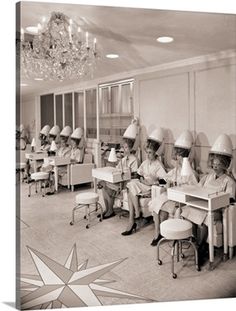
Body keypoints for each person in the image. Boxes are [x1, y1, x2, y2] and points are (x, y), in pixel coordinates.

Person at [181, 134, 236, 262]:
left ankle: (201, 248)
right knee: (188, 211)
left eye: (218, 164)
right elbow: (197, 189)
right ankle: (195, 242)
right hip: (203, 206)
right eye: (214, 164)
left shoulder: (229, 181)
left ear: (225, 164)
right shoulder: (208, 177)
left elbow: (230, 198)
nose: (215, 166)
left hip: (218, 211)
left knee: (203, 219)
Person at [149, 130, 198, 246]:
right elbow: (164, 179)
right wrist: (164, 183)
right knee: (156, 203)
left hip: (182, 201)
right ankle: (158, 233)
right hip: (171, 197)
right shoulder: (175, 171)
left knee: (165, 208)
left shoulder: (192, 174)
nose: (178, 158)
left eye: (181, 156)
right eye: (178, 155)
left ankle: (169, 235)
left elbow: (195, 191)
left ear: (187, 157)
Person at [121, 128, 166, 236]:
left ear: (156, 153)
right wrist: (141, 179)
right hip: (142, 185)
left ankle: (133, 219)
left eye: (150, 153)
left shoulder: (158, 165)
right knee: (130, 185)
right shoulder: (146, 163)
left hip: (151, 188)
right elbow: (138, 173)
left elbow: (164, 181)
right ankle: (136, 214)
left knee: (130, 187)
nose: (148, 155)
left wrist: (152, 182)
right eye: (147, 152)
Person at [100, 138, 139, 219]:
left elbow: (135, 175)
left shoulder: (134, 159)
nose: (124, 149)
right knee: (103, 183)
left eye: (126, 147)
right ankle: (107, 209)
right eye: (123, 147)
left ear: (131, 148)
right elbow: (117, 169)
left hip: (128, 182)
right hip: (120, 180)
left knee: (107, 185)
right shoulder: (123, 159)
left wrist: (124, 174)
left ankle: (110, 210)